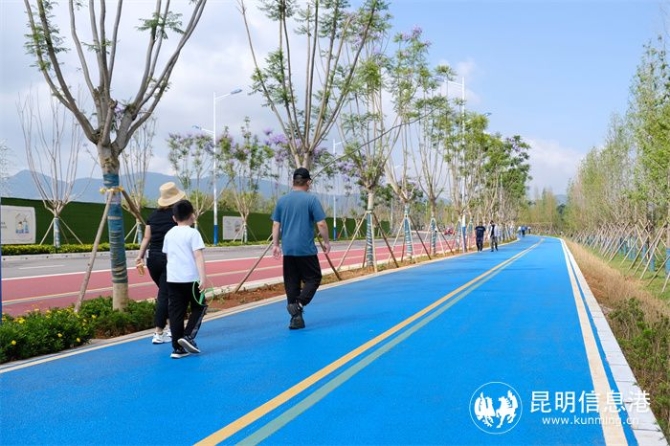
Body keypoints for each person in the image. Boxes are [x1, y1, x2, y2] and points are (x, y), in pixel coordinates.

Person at [271, 167, 331, 330]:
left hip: (288, 250)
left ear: (293, 182)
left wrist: (276, 245)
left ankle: (296, 319)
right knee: (314, 278)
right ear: (308, 182)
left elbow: (276, 224)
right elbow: (321, 223)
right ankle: (298, 304)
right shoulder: (311, 200)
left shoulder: (282, 201)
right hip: (305, 249)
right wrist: (326, 242)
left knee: (292, 283)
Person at [136, 182, 186, 345]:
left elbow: (147, 238)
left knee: (167, 293)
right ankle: (158, 332)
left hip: (153, 260)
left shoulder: (153, 216)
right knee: (165, 296)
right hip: (169, 259)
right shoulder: (177, 216)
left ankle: (172, 328)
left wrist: (139, 256)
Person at [162, 199, 208, 359]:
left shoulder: (169, 234)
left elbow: (168, 256)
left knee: (176, 312)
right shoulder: (193, 233)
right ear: (192, 216)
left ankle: (177, 349)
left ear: (174, 218)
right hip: (191, 278)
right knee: (200, 306)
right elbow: (198, 256)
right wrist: (203, 278)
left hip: (173, 279)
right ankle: (188, 336)